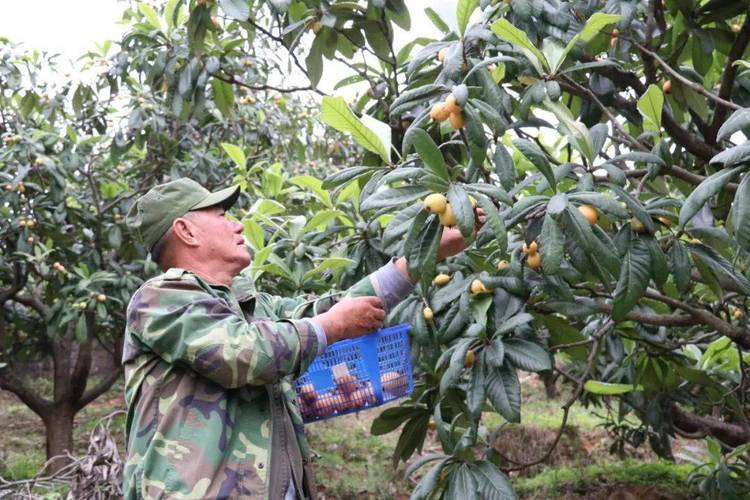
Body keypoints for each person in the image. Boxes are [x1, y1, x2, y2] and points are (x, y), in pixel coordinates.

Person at [123, 178, 482, 499]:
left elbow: (335, 309)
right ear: (187, 231)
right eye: (221, 215)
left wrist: (426, 255)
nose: (237, 224)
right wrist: (331, 326)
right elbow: (242, 354)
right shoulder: (159, 298)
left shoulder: (253, 306)